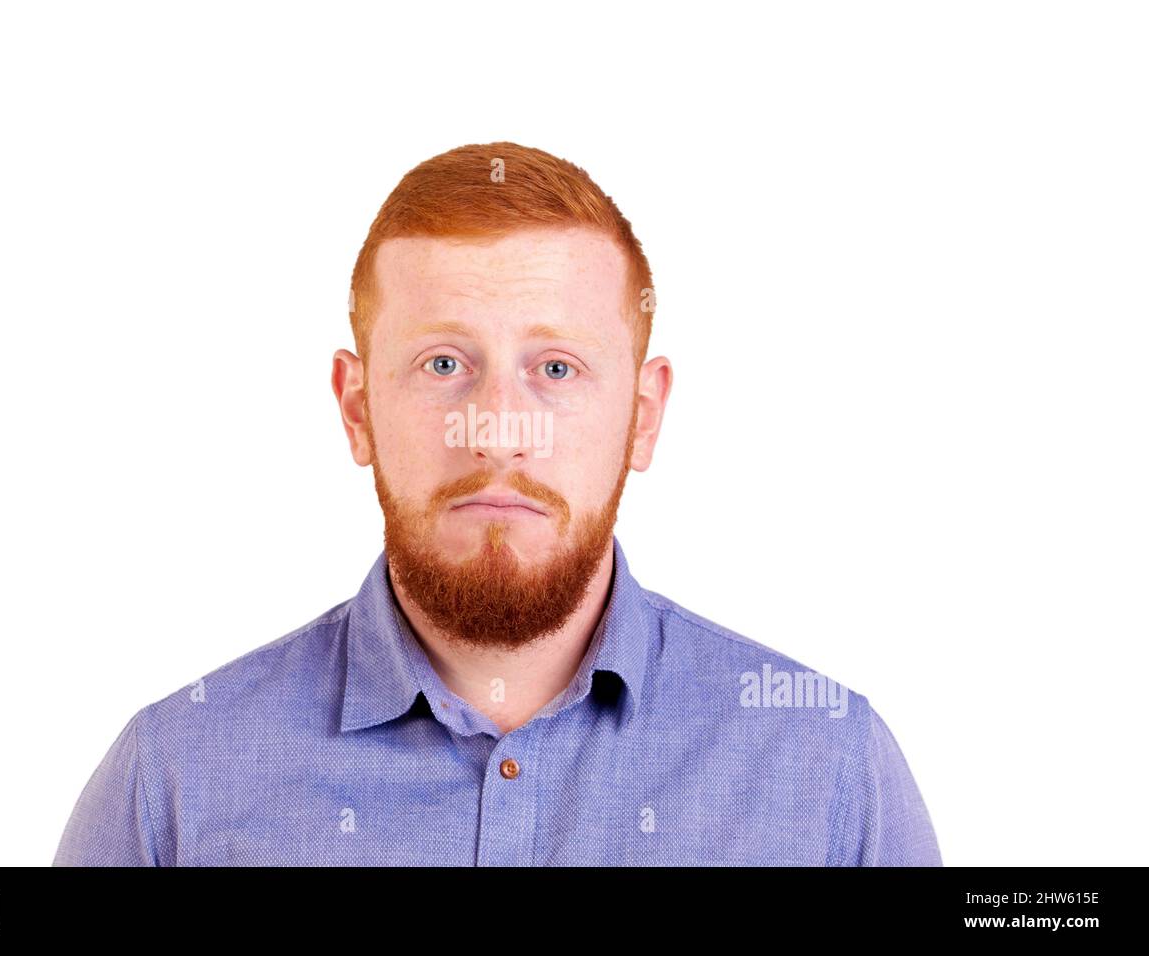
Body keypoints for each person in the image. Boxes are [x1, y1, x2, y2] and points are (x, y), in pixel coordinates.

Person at [53, 141, 942, 866]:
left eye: (556, 369)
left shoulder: (828, 773)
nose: (498, 432)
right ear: (358, 408)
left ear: (641, 417)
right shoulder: (173, 783)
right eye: (444, 364)